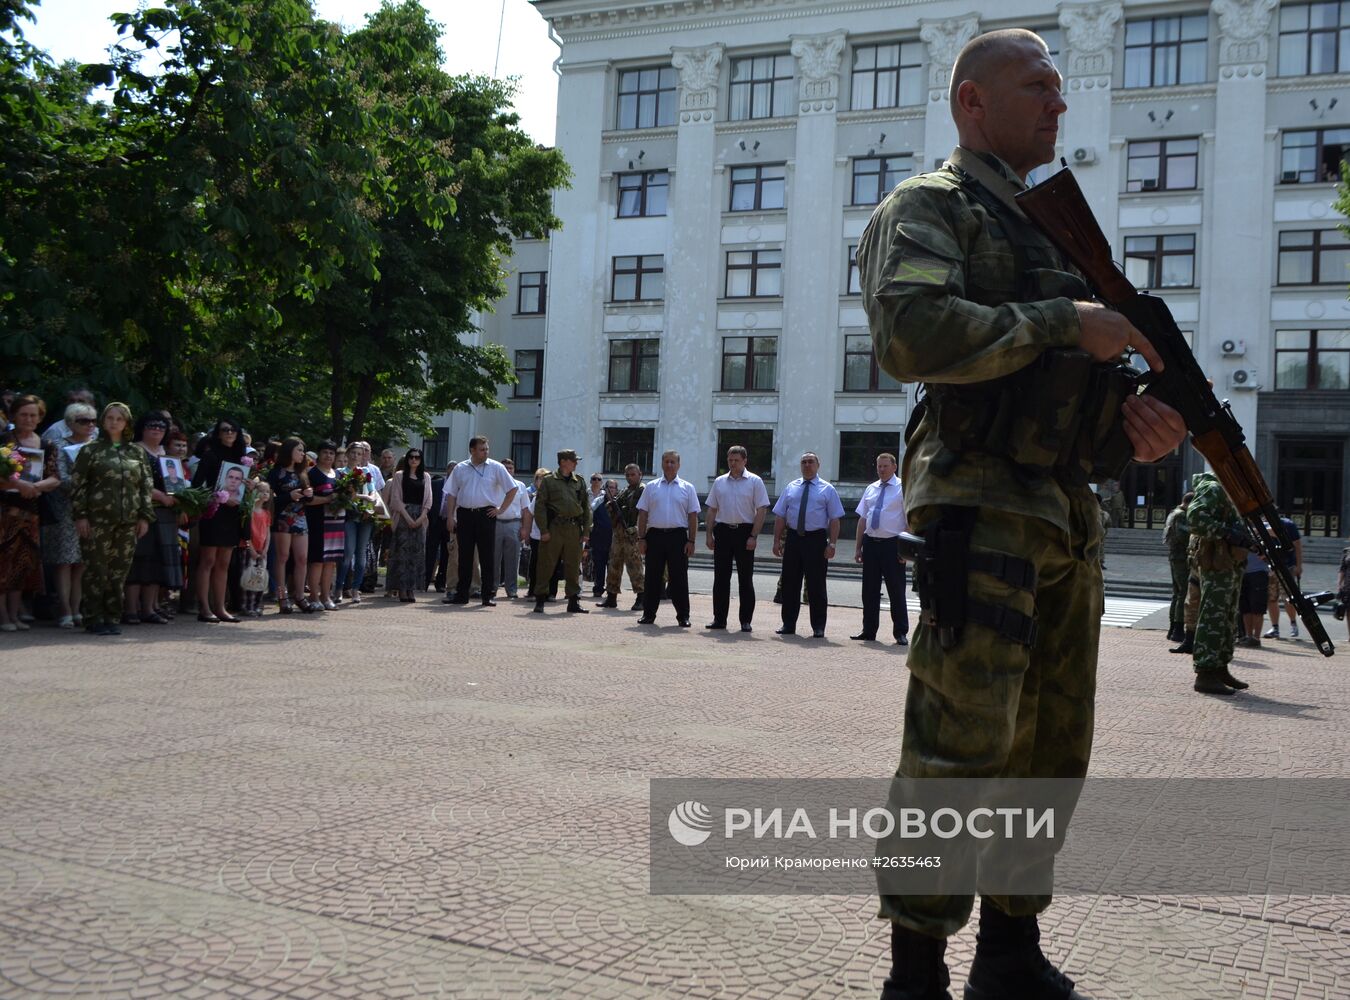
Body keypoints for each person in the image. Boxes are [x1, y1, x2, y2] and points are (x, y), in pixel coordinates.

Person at [856, 29, 1187, 999]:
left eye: (1059, 87)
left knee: (1050, 748)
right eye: (1035, 86)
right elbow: (911, 335)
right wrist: (1061, 323)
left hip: (1061, 516)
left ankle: (1009, 948)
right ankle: (915, 967)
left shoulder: (1055, 232)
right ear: (972, 102)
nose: (1058, 103)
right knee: (959, 742)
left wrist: (1133, 435)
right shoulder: (930, 207)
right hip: (978, 507)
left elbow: (1068, 405)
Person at [71, 403, 154, 636]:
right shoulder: (91, 450)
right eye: (110, 418)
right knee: (96, 569)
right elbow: (78, 485)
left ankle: (112, 616)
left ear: (126, 422)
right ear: (103, 420)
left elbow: (145, 486)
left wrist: (144, 516)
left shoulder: (135, 452)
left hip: (128, 520)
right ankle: (93, 617)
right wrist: (80, 516)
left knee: (118, 572)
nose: (114, 422)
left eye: (119, 418)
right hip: (97, 520)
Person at [1186, 472, 1250, 694]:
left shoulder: (1229, 491)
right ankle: (1205, 672)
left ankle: (1220, 667)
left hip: (1230, 564)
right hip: (1217, 564)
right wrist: (1228, 533)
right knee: (1213, 615)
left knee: (1227, 617)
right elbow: (1195, 517)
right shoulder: (1214, 488)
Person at [1, 395, 59, 631]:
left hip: (32, 511)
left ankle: (15, 615)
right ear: (14, 415)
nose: (29, 419)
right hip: (4, 510)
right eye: (24, 414)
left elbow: (55, 478)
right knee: (3, 563)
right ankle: (3, 616)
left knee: (23, 564)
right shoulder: (4, 442)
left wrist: (35, 486)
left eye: (33, 415)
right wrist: (18, 485)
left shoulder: (46, 444)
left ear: (40, 417)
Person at [771, 453, 843, 639]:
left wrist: (832, 544)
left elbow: (835, 519)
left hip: (816, 540)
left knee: (816, 585)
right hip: (794, 538)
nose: (807, 465)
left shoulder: (827, 489)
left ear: (818, 465)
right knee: (790, 583)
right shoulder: (791, 487)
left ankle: (818, 626)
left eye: (811, 462)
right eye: (803, 462)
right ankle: (788, 624)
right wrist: (777, 540)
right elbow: (780, 515)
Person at [444, 436, 518, 607]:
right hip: (465, 514)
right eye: (482, 449)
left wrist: (500, 509)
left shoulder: (496, 467)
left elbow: (512, 488)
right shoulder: (460, 468)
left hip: (487, 515)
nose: (486, 452)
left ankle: (488, 595)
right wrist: (450, 516)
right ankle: (462, 594)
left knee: (487, 556)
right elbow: (452, 494)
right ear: (472, 450)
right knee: (465, 556)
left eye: (487, 449)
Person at [123, 411, 182, 625]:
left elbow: (177, 484)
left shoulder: (166, 453)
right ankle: (130, 609)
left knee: (158, 561)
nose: (156, 429)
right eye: (151, 425)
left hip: (166, 513)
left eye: (161, 426)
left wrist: (180, 499)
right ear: (142, 427)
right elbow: (133, 481)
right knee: (139, 560)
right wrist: (160, 496)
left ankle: (149, 609)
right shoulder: (133, 449)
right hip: (142, 510)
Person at [704, 445, 770, 632]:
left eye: (736, 460)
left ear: (745, 461)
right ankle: (719, 619)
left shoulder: (755, 482)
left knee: (745, 579)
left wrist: (753, 536)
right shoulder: (719, 482)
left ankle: (745, 621)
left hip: (744, 532)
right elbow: (712, 509)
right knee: (721, 578)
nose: (732, 464)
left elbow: (761, 510)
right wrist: (709, 534)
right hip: (723, 531)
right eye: (730, 460)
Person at [42, 402, 96, 628]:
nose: (89, 425)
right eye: (83, 421)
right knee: (65, 560)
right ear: (71, 423)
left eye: (92, 421)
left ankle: (77, 608)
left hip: (92, 509)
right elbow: (60, 478)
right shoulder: (59, 445)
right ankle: (64, 608)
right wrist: (86, 484)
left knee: (83, 561)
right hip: (65, 508)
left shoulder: (97, 447)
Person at [635, 450, 700, 627]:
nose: (669, 465)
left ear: (678, 465)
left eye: (673, 462)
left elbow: (693, 516)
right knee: (652, 578)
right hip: (654, 536)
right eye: (666, 462)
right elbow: (643, 513)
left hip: (678, 537)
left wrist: (691, 541)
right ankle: (648, 614)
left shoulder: (688, 488)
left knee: (679, 578)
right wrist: (641, 538)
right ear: (662, 464)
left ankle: (683, 616)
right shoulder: (651, 487)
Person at [191, 419, 246, 623]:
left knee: (224, 562)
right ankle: (204, 608)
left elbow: (241, 486)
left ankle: (220, 607)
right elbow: (197, 486)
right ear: (218, 433)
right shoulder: (210, 454)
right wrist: (217, 496)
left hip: (232, 513)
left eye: (233, 429)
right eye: (225, 430)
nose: (230, 433)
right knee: (208, 561)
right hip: (213, 512)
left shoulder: (241, 458)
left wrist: (247, 487)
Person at [852, 452, 910, 645]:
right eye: (879, 466)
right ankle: (868, 630)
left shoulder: (903, 488)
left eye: (885, 466)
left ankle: (900, 632)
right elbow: (862, 518)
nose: (882, 470)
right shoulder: (871, 488)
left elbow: (909, 521)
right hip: (871, 543)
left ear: (894, 467)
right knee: (869, 590)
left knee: (896, 590)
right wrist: (858, 547)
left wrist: (906, 550)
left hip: (892, 545)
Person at [532, 449, 593, 614]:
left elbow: (586, 508)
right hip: (554, 528)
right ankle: (540, 600)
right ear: (564, 461)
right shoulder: (549, 481)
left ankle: (573, 600)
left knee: (573, 566)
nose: (576, 463)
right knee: (546, 564)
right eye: (574, 460)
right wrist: (543, 530)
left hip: (573, 529)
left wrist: (586, 531)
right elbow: (540, 507)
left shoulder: (579, 481)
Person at [266, 438, 310, 614]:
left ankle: (299, 596)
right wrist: (289, 496)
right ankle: (282, 596)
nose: (302, 454)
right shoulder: (276, 473)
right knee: (282, 557)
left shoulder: (302, 472)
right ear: (289, 451)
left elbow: (308, 499)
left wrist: (307, 494)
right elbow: (270, 500)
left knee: (302, 558)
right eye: (299, 450)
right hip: (283, 518)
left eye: (303, 451)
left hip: (300, 517)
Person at [337, 441, 384, 603]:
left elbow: (373, 494)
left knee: (361, 553)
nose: (356, 456)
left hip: (365, 515)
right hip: (349, 516)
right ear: (347, 454)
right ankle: (339, 588)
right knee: (348, 553)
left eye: (359, 453)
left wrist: (359, 497)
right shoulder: (341, 473)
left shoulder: (365, 472)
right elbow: (340, 495)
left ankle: (356, 589)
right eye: (353, 453)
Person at [596, 463, 646, 610]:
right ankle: (611, 597)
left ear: (640, 474)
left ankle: (641, 598)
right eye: (627, 475)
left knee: (635, 567)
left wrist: (638, 530)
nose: (630, 478)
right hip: (619, 534)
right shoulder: (625, 491)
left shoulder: (643, 491)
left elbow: (645, 513)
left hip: (633, 534)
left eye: (633, 474)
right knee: (614, 565)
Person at [387, 448, 432, 602]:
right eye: (411, 457)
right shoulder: (399, 476)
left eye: (417, 457)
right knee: (402, 554)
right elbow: (395, 499)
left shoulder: (426, 477)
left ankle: (412, 588)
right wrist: (407, 517)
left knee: (416, 554)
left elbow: (429, 500)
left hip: (420, 516)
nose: (414, 460)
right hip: (403, 516)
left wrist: (421, 517)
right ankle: (401, 589)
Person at [303, 440, 344, 611]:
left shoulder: (339, 475)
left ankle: (326, 596)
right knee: (317, 561)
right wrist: (328, 499)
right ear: (319, 454)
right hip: (318, 522)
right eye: (325, 452)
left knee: (331, 561)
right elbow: (307, 500)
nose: (328, 456)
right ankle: (313, 596)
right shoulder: (311, 474)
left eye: (332, 453)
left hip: (337, 522)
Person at [1263, 510, 1303, 639]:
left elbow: (1297, 546)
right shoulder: (1262, 526)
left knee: (1288, 597)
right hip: (1270, 567)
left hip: (1288, 566)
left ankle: (1293, 624)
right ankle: (1275, 627)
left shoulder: (1288, 524)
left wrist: (1299, 565)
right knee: (1271, 598)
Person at [492, 457, 528, 599]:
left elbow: (525, 509)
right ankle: (492, 588)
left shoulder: (520, 486)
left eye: (510, 468)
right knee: (493, 558)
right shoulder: (494, 485)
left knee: (513, 559)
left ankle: (511, 589)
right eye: (505, 468)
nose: (507, 471)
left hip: (514, 523)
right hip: (496, 523)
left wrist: (525, 528)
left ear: (514, 471)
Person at [1163, 492, 1194, 644]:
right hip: (1181, 557)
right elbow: (1185, 536)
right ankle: (1178, 629)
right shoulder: (1181, 515)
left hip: (1175, 556)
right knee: (1182, 592)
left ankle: (1173, 628)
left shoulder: (1173, 513)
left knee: (1177, 593)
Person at [241, 480, 272, 616]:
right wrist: (251, 549)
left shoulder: (266, 513)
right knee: (248, 578)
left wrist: (265, 549)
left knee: (260, 578)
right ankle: (246, 606)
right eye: (261, 491)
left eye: (267, 491)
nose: (265, 494)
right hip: (249, 550)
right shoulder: (249, 511)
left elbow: (267, 532)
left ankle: (256, 605)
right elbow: (246, 533)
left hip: (261, 551)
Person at [586, 475, 613, 599]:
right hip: (599, 538)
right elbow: (590, 515)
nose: (611, 490)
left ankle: (612, 590)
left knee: (613, 566)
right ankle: (598, 589)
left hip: (614, 540)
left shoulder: (619, 502)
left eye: (613, 488)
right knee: (599, 565)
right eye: (609, 487)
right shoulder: (598, 501)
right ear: (605, 489)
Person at [1237, 545, 1269, 648]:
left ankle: (1256, 638)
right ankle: (1248, 636)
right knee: (1245, 607)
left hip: (1259, 572)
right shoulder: (1242, 531)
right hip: (1242, 572)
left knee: (1257, 607)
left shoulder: (1262, 531)